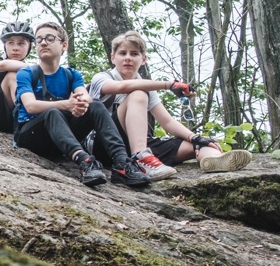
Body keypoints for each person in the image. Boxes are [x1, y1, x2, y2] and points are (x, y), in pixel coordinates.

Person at [89, 31, 252, 177]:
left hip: (133, 145)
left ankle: (214, 161)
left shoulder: (146, 86)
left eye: (134, 54)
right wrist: (169, 85)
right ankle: (141, 158)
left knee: (196, 144)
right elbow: (121, 87)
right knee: (138, 93)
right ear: (113, 57)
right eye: (122, 53)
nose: (128, 58)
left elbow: (167, 122)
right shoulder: (102, 78)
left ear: (143, 59)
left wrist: (195, 137)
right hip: (103, 143)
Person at [13, 22, 149, 187]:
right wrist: (66, 104)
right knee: (53, 112)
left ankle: (122, 163)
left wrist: (81, 105)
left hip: (60, 138)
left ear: (64, 45)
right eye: (39, 39)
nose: (43, 42)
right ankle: (84, 161)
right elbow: (30, 106)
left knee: (96, 106)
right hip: (32, 135)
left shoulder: (72, 75)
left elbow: (86, 98)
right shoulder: (26, 73)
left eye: (49, 38)